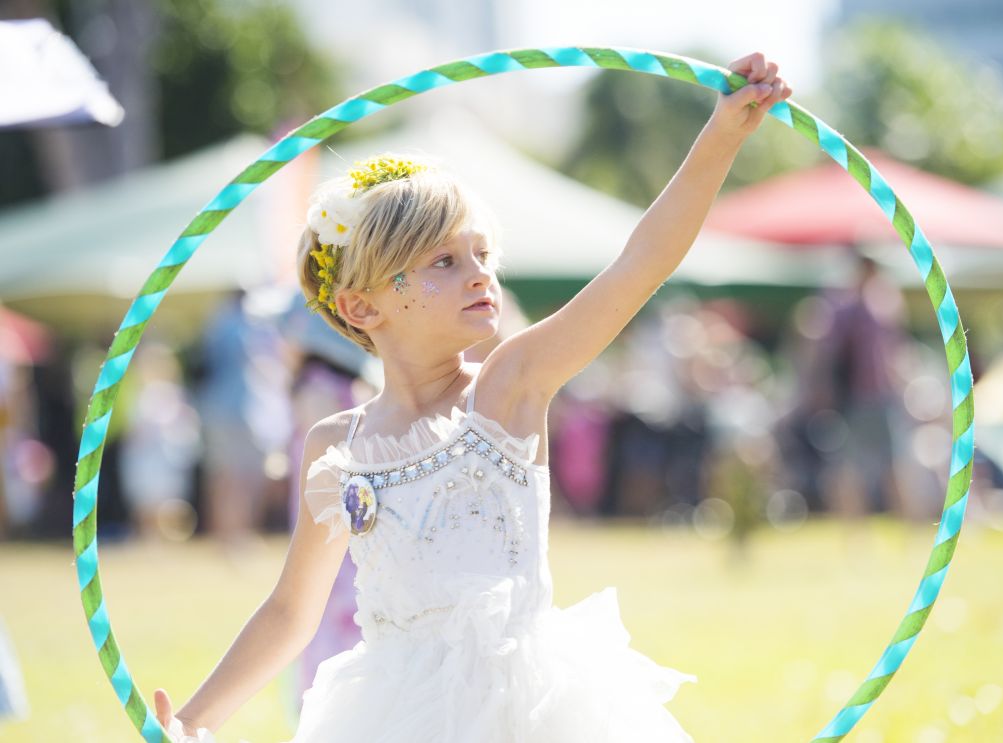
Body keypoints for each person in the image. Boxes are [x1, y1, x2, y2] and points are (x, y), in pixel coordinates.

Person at [154, 52, 791, 742]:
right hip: (392, 715)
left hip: (525, 707)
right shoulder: (334, 446)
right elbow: (290, 611)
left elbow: (641, 263)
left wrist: (721, 135)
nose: (479, 274)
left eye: (482, 254)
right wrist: (193, 720)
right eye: (444, 262)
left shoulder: (510, 385)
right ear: (362, 307)